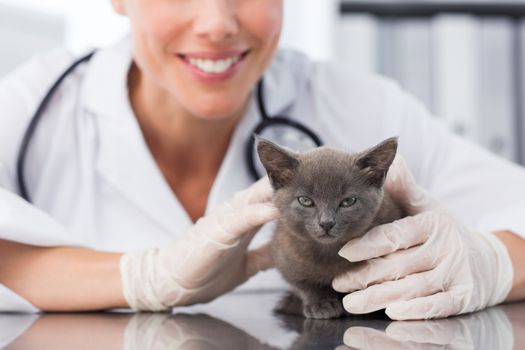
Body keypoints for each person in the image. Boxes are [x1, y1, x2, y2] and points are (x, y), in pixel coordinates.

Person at [0, 0, 524, 319]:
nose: (217, 23)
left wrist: (493, 266)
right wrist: (143, 277)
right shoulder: (33, 105)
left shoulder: (357, 102)